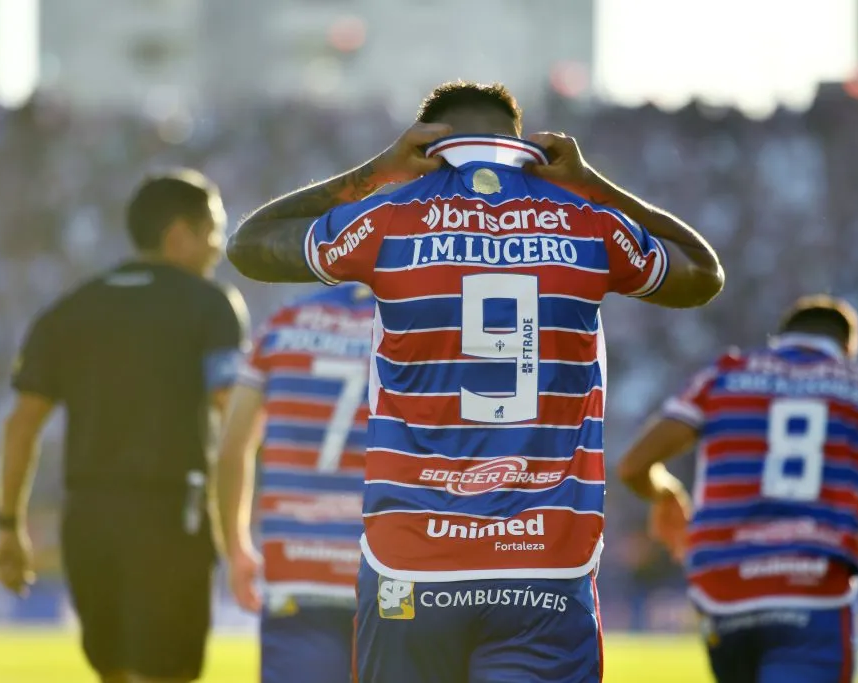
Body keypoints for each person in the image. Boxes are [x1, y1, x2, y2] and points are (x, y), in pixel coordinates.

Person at [226, 80, 724, 683]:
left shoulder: (389, 218)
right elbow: (702, 273)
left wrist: (377, 170)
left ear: (429, 144)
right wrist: (595, 186)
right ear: (515, 141)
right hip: (543, 568)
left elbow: (249, 246)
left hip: (410, 563)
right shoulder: (585, 221)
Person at [0, 170, 250, 683]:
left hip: (89, 519)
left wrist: (8, 527)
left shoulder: (70, 309)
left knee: (114, 671)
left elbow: (20, 425)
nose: (219, 247)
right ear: (179, 234)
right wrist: (237, 525)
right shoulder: (210, 305)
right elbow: (233, 414)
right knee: (170, 673)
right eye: (213, 231)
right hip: (172, 517)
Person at [616, 295, 858, 683]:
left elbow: (633, 466)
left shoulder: (723, 375)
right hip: (811, 591)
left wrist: (665, 493)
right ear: (848, 349)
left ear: (781, 338)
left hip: (725, 595)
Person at [215, 281, 375, 683]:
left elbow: (233, 447)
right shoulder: (413, 326)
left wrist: (236, 548)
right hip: (386, 573)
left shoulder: (282, 325)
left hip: (297, 568)